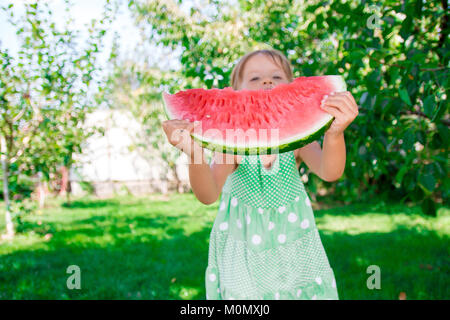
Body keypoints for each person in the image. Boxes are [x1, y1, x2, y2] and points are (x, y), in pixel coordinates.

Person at [162, 49, 358, 300]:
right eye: (254, 78)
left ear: (290, 87)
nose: (267, 82)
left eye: (277, 77)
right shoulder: (232, 145)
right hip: (244, 253)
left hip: (293, 247)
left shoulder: (297, 143)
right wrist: (193, 152)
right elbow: (208, 194)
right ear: (234, 94)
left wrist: (335, 133)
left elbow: (330, 172)